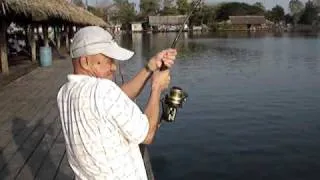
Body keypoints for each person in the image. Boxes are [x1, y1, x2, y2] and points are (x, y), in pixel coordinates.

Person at [57, 26, 177, 180]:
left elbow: (119, 96)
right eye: (108, 60)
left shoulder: (64, 93)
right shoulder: (103, 91)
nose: (114, 67)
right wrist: (157, 87)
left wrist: (151, 66)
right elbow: (147, 135)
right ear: (85, 62)